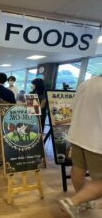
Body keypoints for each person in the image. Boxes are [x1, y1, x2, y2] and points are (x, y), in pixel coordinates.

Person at [60, 75, 102, 218]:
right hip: (97, 141)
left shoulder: (85, 84)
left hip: (77, 135)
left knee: (78, 169)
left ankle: (81, 201)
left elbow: (73, 107)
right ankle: (73, 202)